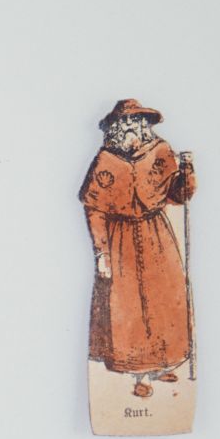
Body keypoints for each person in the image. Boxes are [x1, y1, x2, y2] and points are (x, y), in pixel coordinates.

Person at [81, 99, 197, 398]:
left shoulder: (160, 152)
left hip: (156, 235)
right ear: (116, 129)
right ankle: (139, 376)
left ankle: (161, 364)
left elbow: (178, 196)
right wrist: (101, 253)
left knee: (163, 300)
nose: (132, 128)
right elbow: (94, 209)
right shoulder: (106, 160)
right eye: (125, 123)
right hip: (120, 241)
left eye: (136, 122)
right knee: (130, 305)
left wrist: (186, 173)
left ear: (145, 125)